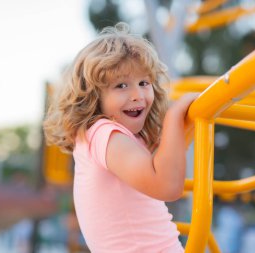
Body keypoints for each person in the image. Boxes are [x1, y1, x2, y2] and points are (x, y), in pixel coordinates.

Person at [43, 22, 198, 253]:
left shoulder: (105, 139)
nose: (137, 95)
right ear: (94, 96)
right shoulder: (105, 134)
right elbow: (167, 186)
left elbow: (163, 166)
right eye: (121, 85)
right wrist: (174, 117)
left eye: (144, 83)